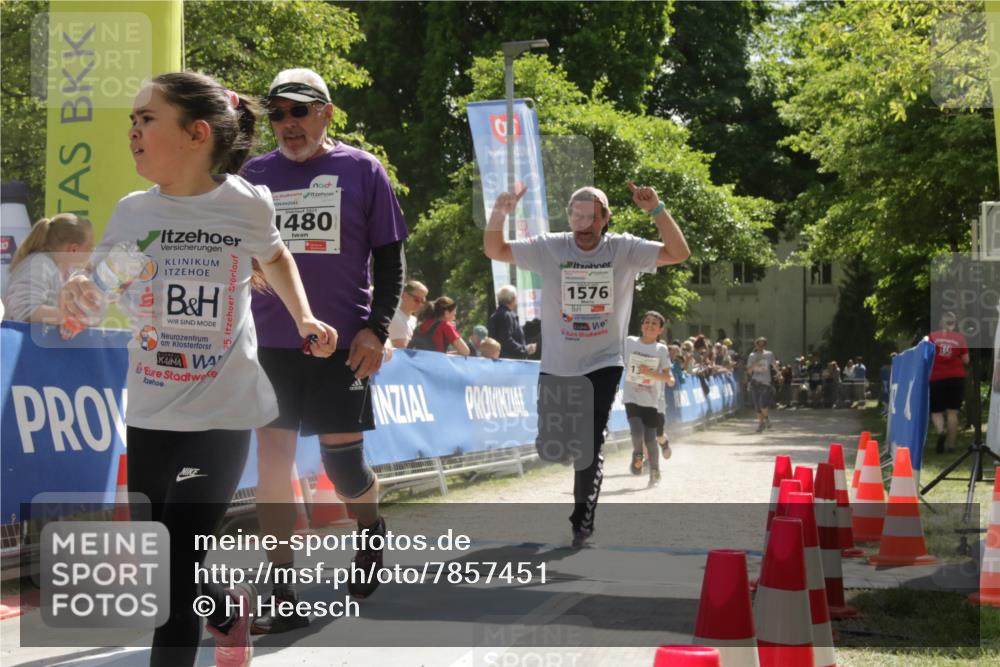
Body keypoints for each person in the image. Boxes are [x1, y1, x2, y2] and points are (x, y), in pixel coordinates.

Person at [60, 72, 338, 667]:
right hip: (152, 411)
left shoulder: (244, 202)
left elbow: (277, 256)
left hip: (222, 413)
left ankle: (200, 616)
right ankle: (223, 607)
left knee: (176, 570)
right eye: (131, 121)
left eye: (147, 119)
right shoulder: (135, 213)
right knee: (164, 571)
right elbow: (109, 275)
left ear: (197, 134)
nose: (133, 131)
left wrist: (305, 318)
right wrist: (86, 292)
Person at [240, 67, 407, 633]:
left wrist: (377, 330)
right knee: (273, 466)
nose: (287, 124)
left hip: (341, 344)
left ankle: (369, 529)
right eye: (277, 113)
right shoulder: (254, 172)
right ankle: (282, 589)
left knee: (343, 466)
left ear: (326, 112)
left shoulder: (362, 170)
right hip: (269, 343)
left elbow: (390, 258)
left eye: (298, 111)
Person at [483, 181, 689, 547]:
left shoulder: (623, 249)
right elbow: (495, 248)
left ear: (606, 219)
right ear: (569, 218)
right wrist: (500, 213)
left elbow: (678, 253)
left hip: (603, 361)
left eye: (592, 217)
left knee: (588, 442)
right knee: (555, 444)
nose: (585, 224)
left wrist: (656, 210)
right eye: (578, 216)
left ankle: (582, 520)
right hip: (558, 363)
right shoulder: (550, 247)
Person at [4, 213, 93, 324]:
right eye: (90, 247)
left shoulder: (67, 272)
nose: (92, 253)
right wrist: (70, 320)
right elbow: (24, 310)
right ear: (73, 249)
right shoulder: (39, 265)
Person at [623, 311, 675, 487]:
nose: (650, 325)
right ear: (641, 326)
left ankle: (655, 471)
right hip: (631, 396)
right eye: (647, 322)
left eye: (654, 323)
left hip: (652, 401)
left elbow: (669, 378)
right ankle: (638, 455)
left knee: (651, 439)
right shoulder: (629, 342)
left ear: (660, 330)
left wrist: (650, 374)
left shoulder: (661, 350)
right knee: (637, 432)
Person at [929, 312, 969, 453]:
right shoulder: (960, 338)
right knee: (953, 412)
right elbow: (966, 360)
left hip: (936, 378)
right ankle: (951, 446)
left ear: (941, 323)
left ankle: (941, 432)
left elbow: (926, 356)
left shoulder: (932, 337)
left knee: (936, 411)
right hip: (956, 378)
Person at [488, 284, 536, 359]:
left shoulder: (495, 315)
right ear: (513, 299)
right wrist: (525, 349)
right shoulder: (506, 316)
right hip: (510, 363)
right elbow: (506, 341)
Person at [746, 337, 779, 432]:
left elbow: (774, 364)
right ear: (755, 345)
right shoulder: (752, 355)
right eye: (758, 344)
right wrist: (755, 364)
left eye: (763, 344)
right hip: (755, 382)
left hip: (766, 382)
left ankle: (766, 418)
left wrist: (779, 373)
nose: (760, 346)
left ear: (765, 345)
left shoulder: (769, 354)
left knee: (763, 404)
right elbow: (748, 371)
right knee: (757, 406)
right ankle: (761, 424)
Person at [388, 279, 428, 348]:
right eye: (417, 299)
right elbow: (402, 349)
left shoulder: (414, 319)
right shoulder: (395, 317)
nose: (420, 304)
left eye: (423, 300)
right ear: (404, 295)